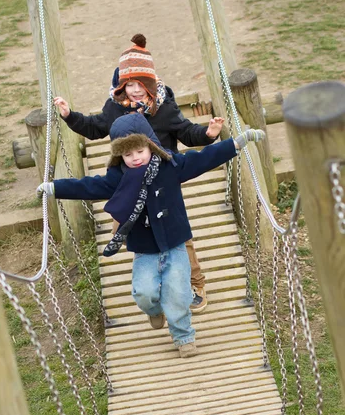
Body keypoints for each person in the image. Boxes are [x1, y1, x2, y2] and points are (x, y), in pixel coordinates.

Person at [37, 113, 265, 358]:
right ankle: (155, 310)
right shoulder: (118, 178)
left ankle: (183, 336)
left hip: (175, 243)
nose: (135, 158)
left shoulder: (171, 166)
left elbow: (204, 158)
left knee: (178, 293)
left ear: (151, 145)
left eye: (139, 151)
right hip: (144, 248)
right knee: (144, 293)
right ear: (119, 156)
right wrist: (54, 187)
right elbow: (87, 185)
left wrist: (238, 142)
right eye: (127, 154)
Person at [53, 33, 225, 313]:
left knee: (178, 234)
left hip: (163, 179)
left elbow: (187, 133)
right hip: (128, 179)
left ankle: (195, 282)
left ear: (149, 84)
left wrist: (208, 133)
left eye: (139, 84)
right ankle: (150, 280)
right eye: (128, 85)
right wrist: (69, 115)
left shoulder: (164, 108)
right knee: (132, 227)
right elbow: (95, 128)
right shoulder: (114, 108)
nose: (134, 90)